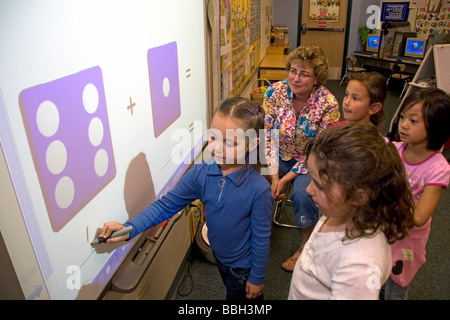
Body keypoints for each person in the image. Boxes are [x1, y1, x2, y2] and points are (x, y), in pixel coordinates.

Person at [99, 97, 273, 300]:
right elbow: (165, 206)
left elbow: (261, 240)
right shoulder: (201, 174)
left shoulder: (259, 189)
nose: (216, 148)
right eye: (214, 137)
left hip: (242, 269)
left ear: (253, 144)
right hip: (221, 259)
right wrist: (129, 228)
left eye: (230, 143)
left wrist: (257, 278)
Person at [288, 124, 415, 300]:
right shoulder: (341, 212)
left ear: (358, 196)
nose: (309, 190)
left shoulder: (359, 265)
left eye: (319, 185)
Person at [262, 45, 340, 272]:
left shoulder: (328, 104)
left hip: (310, 160)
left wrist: (285, 180)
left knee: (304, 194)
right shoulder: (274, 93)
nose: (295, 78)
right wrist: (274, 175)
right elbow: (268, 136)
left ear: (316, 78)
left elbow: (318, 149)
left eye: (304, 74)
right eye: (293, 71)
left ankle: (306, 243)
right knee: (255, 185)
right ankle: (258, 233)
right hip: (276, 155)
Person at [382, 87, 450, 300]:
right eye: (402, 117)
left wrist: (390, 192)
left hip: (405, 240)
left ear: (435, 125)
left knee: (395, 288)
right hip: (382, 230)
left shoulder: (437, 168)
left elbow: (419, 217)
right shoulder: (393, 149)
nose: (403, 124)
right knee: (373, 279)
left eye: (413, 120)